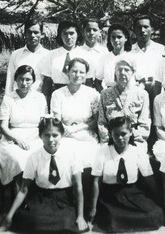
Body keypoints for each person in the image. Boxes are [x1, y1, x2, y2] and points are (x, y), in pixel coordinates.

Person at [0, 117, 89, 233]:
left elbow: (78, 187)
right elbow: (24, 189)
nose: (51, 139)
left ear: (62, 135)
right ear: (40, 136)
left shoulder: (71, 154)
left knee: (67, 223)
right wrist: (10, 216)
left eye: (55, 135)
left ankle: (12, 215)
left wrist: (80, 216)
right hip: (42, 197)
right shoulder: (34, 157)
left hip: (65, 198)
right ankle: (7, 215)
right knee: (34, 222)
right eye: (46, 135)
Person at [90, 116, 164, 233]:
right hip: (111, 196)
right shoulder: (103, 151)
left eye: (123, 134)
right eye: (116, 134)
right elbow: (96, 181)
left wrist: (159, 200)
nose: (120, 138)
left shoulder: (137, 151)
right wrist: (93, 207)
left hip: (132, 193)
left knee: (156, 214)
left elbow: (148, 178)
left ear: (130, 133)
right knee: (110, 220)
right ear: (110, 134)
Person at [50, 58, 100, 219]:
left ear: (86, 75)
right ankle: (68, 202)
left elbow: (95, 120)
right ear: (67, 72)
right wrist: (68, 131)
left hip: (86, 134)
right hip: (64, 135)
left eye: (81, 72)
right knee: (65, 156)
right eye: (74, 71)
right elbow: (56, 121)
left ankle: (88, 204)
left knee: (91, 157)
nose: (77, 75)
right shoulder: (57, 94)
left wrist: (78, 128)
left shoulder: (93, 94)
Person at [0, 65, 47, 188]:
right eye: (20, 79)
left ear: (33, 81)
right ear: (16, 80)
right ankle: (22, 198)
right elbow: (3, 127)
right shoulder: (8, 98)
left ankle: (38, 194)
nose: (24, 83)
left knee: (40, 155)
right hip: (12, 137)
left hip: (36, 137)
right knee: (18, 158)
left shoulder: (39, 97)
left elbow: (44, 122)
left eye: (27, 79)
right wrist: (17, 139)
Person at [98, 57, 150, 152]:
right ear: (115, 73)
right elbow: (101, 122)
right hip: (111, 138)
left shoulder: (142, 95)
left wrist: (133, 135)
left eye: (126, 70)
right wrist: (109, 137)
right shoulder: (105, 94)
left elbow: (145, 123)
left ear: (133, 72)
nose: (122, 73)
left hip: (134, 138)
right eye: (119, 70)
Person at [132, 14, 165, 153]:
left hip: (157, 91)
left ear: (152, 29)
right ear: (134, 30)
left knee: (157, 121)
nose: (142, 30)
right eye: (139, 27)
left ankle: (156, 148)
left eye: (146, 26)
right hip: (137, 92)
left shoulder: (161, 49)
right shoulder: (130, 50)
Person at [40, 21, 87, 106]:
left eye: (72, 33)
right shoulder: (51, 55)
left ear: (78, 34)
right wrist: (44, 105)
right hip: (58, 96)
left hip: (80, 96)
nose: (69, 37)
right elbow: (47, 82)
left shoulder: (85, 55)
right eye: (65, 34)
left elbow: (89, 82)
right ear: (60, 35)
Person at [5, 18, 49, 95]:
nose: (32, 35)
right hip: (17, 101)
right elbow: (9, 81)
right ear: (25, 34)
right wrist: (7, 101)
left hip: (39, 101)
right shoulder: (16, 54)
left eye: (36, 32)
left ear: (42, 35)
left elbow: (49, 84)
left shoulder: (48, 55)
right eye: (29, 32)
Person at [95, 23, 133, 92]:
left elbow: (141, 81)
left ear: (126, 38)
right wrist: (105, 95)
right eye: (113, 37)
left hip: (129, 94)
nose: (116, 40)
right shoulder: (104, 58)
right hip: (110, 96)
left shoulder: (132, 57)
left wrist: (134, 94)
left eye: (119, 37)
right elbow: (97, 82)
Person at [78, 17, 108, 88]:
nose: (91, 33)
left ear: (100, 32)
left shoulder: (106, 53)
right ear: (83, 31)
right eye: (88, 30)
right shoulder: (77, 52)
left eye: (95, 30)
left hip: (103, 91)